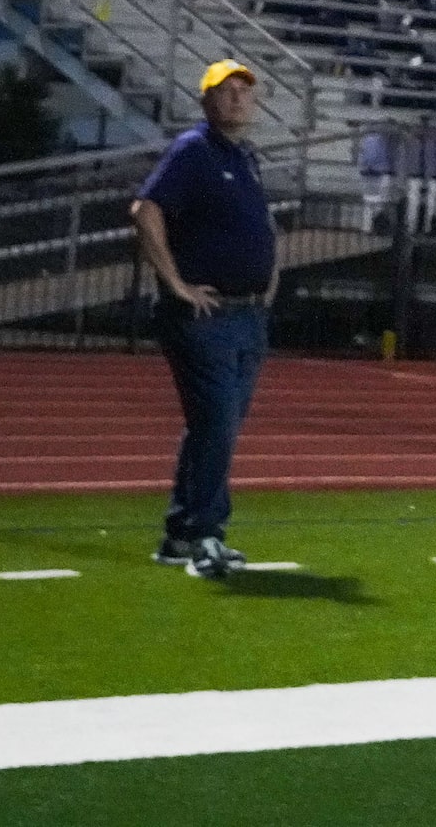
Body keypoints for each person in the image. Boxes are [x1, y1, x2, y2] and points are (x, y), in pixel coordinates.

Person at [132, 61, 277, 579]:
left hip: (245, 314)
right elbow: (147, 210)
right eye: (227, 92)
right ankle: (206, 535)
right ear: (206, 101)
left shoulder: (245, 158)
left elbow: (262, 224)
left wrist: (268, 280)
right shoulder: (194, 150)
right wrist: (175, 284)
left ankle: (180, 534)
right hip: (206, 316)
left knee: (215, 429)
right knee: (216, 424)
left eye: (245, 91)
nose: (238, 100)